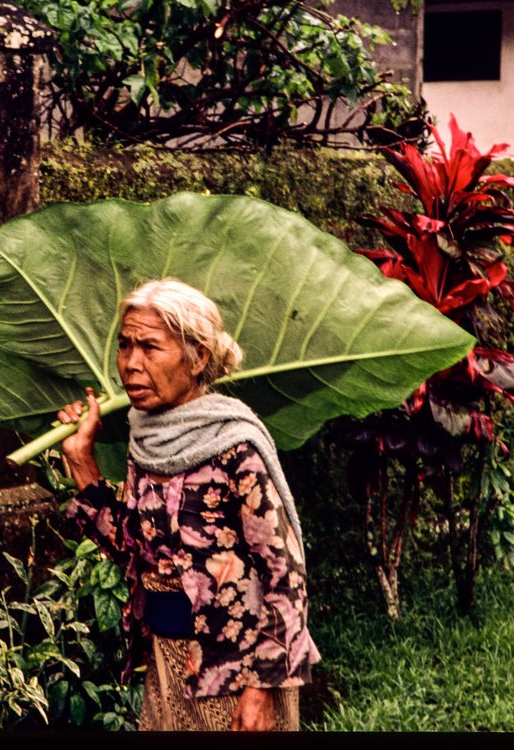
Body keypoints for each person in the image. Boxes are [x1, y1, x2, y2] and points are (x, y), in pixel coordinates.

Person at [57, 278, 320, 732]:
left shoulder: (235, 446)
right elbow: (136, 553)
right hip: (168, 664)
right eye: (124, 346)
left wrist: (262, 689)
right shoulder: (148, 438)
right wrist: (83, 464)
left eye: (150, 348)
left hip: (236, 673)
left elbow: (286, 574)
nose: (131, 364)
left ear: (197, 357)